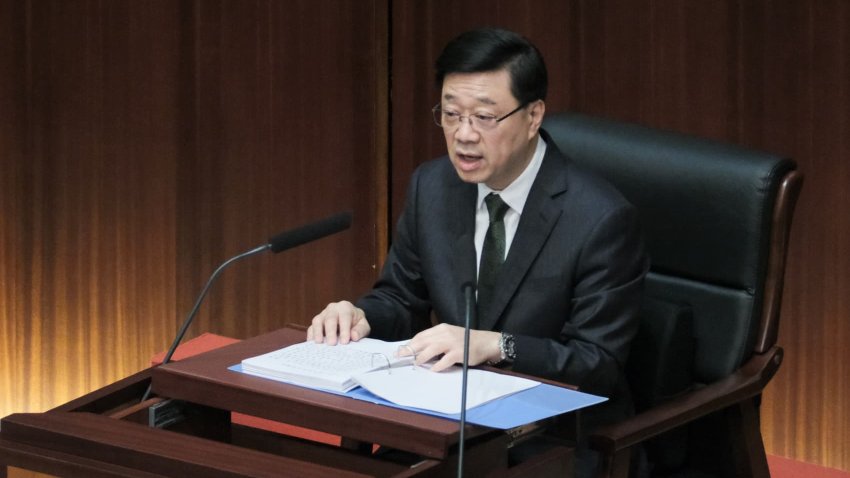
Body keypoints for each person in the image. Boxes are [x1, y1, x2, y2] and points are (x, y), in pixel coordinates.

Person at [308, 28, 649, 475]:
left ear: (533, 116)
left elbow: (597, 363)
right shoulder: (432, 187)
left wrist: (496, 346)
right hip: (442, 425)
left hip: (555, 437)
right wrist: (361, 316)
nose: (463, 135)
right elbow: (401, 299)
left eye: (485, 117)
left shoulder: (599, 218)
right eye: (451, 114)